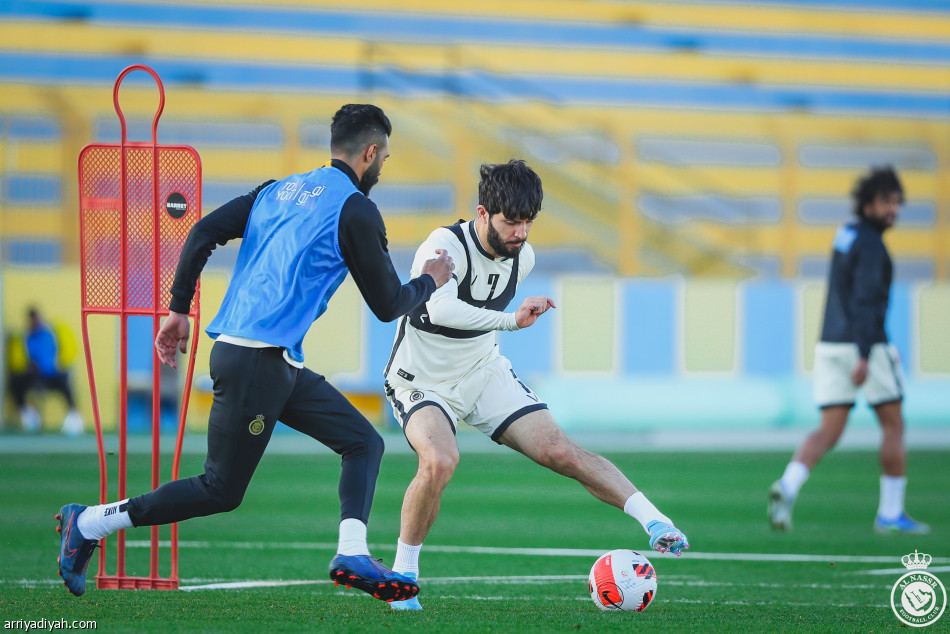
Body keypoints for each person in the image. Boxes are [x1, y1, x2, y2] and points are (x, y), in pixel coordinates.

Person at [55, 104, 454, 602]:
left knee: (363, 443)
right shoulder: (355, 208)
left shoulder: (276, 190)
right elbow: (388, 303)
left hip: (270, 358)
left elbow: (202, 232)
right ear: (370, 153)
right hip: (255, 361)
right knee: (220, 489)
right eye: (384, 159)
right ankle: (89, 523)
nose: (381, 169)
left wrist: (178, 309)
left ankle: (352, 550)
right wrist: (431, 281)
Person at [381, 159, 689, 611]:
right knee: (441, 459)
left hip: (483, 370)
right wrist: (510, 320)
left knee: (559, 450)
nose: (521, 233)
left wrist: (503, 328)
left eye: (528, 222)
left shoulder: (523, 257)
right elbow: (441, 309)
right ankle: (404, 575)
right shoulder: (444, 245)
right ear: (483, 214)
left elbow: (484, 317)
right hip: (420, 381)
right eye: (512, 222)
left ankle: (656, 522)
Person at [768, 165, 929, 535]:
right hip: (862, 345)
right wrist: (867, 351)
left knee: (829, 430)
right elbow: (865, 301)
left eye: (897, 203)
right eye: (887, 202)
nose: (894, 211)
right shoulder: (872, 244)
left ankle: (788, 484)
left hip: (829, 343)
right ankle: (890, 513)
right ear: (868, 202)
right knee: (894, 425)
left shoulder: (845, 235)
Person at [8, 307, 84, 435]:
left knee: (65, 381)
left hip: (52, 375)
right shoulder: (24, 337)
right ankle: (28, 414)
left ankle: (74, 415)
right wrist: (27, 366)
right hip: (33, 376)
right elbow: (19, 359)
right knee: (15, 383)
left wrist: (56, 365)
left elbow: (63, 354)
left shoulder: (51, 333)